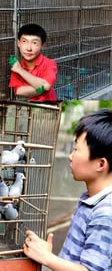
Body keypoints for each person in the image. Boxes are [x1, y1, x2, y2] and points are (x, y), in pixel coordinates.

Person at [23, 109, 112, 271]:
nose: (70, 156)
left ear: (100, 164)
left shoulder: (106, 212)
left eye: (76, 149)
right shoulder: (90, 198)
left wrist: (47, 258)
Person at [8, 23, 57, 102]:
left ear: (42, 45)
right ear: (18, 43)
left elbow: (46, 86)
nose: (28, 48)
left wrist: (21, 71)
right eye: (24, 41)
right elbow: (18, 91)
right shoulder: (17, 67)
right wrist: (41, 88)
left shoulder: (49, 63)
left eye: (34, 43)